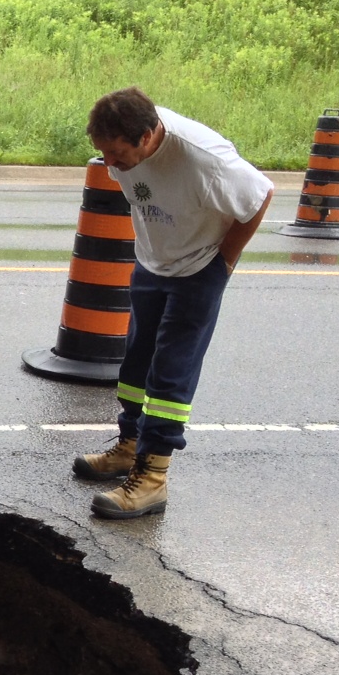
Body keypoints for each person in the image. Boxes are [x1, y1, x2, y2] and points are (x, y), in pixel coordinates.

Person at [73, 87, 274, 519]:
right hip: (152, 262)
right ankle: (129, 447)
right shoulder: (127, 136)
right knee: (135, 365)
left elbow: (259, 197)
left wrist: (223, 261)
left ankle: (152, 480)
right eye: (102, 153)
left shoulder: (206, 162)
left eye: (116, 154)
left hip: (198, 269)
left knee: (169, 376)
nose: (108, 164)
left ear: (147, 137)